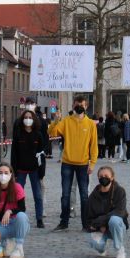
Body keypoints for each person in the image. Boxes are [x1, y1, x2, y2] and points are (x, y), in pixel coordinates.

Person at [49, 96, 98, 231]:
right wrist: (56, 120)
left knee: (84, 195)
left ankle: (86, 224)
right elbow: (52, 133)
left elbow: (94, 146)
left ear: (86, 106)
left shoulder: (90, 124)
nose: (79, 107)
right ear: (73, 106)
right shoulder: (66, 121)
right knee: (65, 194)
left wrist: (92, 164)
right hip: (67, 163)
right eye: (77, 104)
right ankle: (64, 222)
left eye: (82, 105)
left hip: (83, 164)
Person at [11, 108, 48, 228]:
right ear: (22, 120)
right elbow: (14, 154)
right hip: (20, 170)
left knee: (37, 195)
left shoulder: (38, 135)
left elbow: (41, 154)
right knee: (18, 195)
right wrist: (13, 171)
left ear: (34, 120)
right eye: (26, 117)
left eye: (30, 118)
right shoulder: (18, 134)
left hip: (34, 170)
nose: (28, 119)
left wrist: (42, 172)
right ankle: (19, 217)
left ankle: (39, 219)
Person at [86, 165, 128, 258]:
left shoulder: (120, 191)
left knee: (114, 220)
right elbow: (88, 218)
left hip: (117, 226)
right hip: (100, 228)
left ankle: (120, 249)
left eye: (106, 176)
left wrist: (101, 222)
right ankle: (102, 248)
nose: (103, 178)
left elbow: (119, 211)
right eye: (101, 176)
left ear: (112, 177)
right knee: (95, 243)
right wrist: (98, 226)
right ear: (98, 178)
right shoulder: (93, 196)